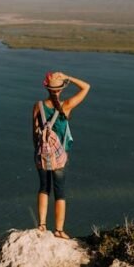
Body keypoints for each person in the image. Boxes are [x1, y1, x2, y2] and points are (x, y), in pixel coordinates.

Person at [32, 71, 90, 239]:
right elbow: (86, 87)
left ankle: (42, 225)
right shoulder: (67, 105)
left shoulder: (38, 106)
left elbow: (34, 134)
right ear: (61, 89)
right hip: (59, 157)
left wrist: (38, 153)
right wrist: (68, 77)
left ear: (48, 89)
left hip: (41, 154)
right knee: (60, 192)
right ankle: (58, 230)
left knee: (44, 188)